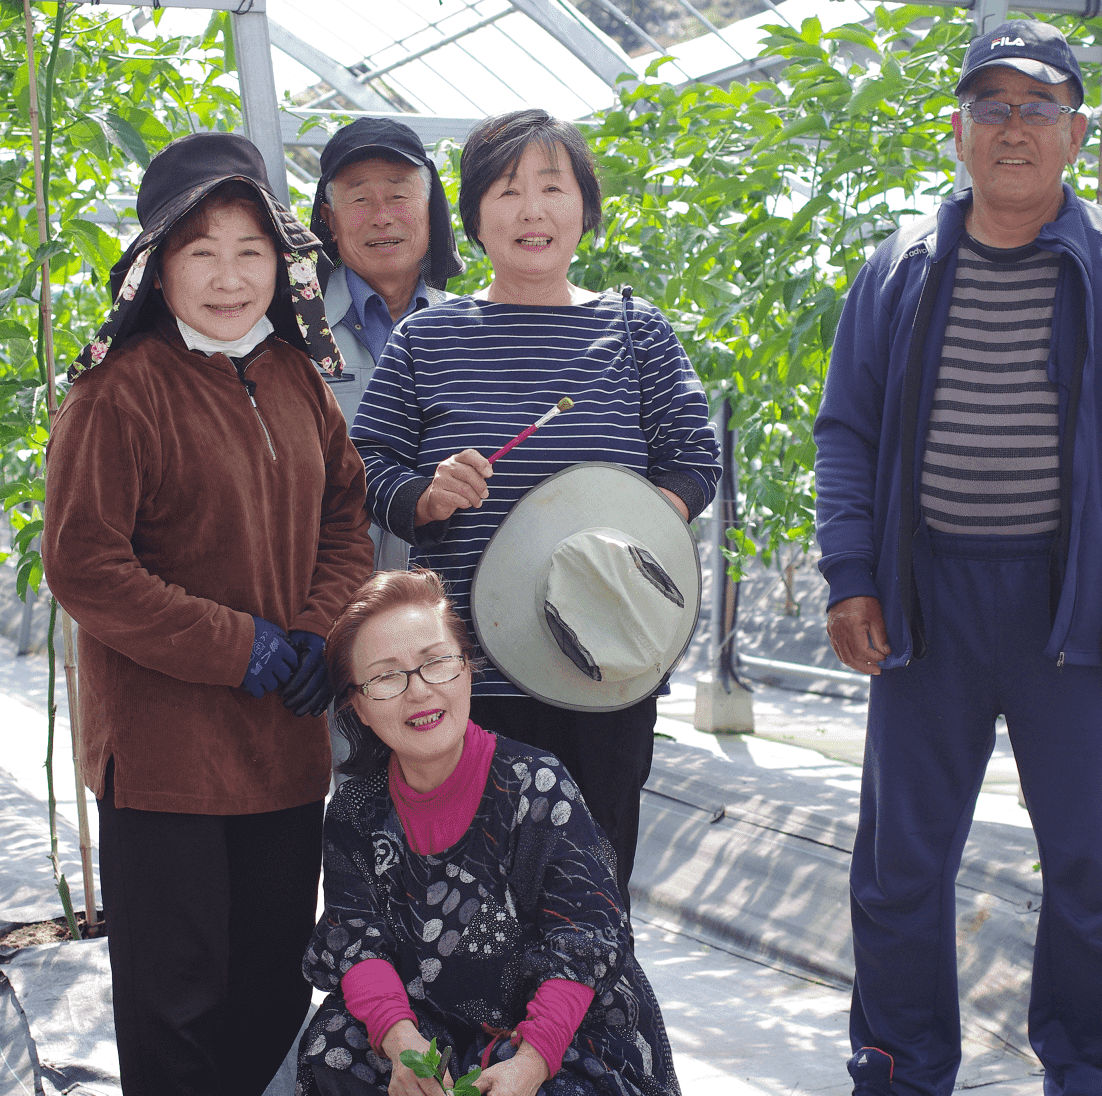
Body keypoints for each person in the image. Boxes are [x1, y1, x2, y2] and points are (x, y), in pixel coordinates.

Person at [812, 20, 1102, 1096]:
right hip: (926, 603)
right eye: (991, 107)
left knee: (1092, 871)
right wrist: (850, 573)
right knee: (900, 870)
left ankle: (1091, 1074)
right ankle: (898, 1072)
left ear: (1076, 134)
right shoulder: (899, 268)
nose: (1013, 128)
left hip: (1076, 608)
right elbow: (845, 430)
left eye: (1038, 107)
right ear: (958, 131)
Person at [42, 132, 373, 1096]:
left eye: (251, 251)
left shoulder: (296, 377)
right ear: (157, 265)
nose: (230, 278)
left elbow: (344, 515)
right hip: (166, 761)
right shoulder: (121, 389)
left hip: (282, 748)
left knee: (271, 989)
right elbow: (86, 565)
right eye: (201, 252)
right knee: (175, 1003)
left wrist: (317, 628)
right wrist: (241, 646)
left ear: (283, 263)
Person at [350, 110, 721, 908]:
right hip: (465, 678)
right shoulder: (429, 336)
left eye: (553, 188)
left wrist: (628, 536)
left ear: (585, 209)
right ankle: (476, 1035)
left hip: (606, 666)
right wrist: (423, 494)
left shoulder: (635, 330)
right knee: (469, 893)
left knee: (589, 884)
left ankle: (582, 1032)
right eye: (508, 190)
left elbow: (695, 461)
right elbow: (363, 467)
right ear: (474, 216)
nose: (532, 211)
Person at [295, 568, 681, 1096]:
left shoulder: (538, 786)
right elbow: (358, 944)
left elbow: (586, 938)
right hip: (428, 1024)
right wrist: (400, 1040)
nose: (419, 691)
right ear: (357, 706)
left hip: (553, 1027)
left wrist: (533, 1061)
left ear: (468, 670)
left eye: (436, 662)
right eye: (386, 677)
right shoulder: (354, 812)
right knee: (335, 1049)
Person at [311, 117, 464, 572]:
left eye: (399, 195)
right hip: (329, 605)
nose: (381, 216)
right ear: (328, 220)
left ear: (430, 206)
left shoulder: (475, 331)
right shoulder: (293, 337)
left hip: (456, 609)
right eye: (359, 199)